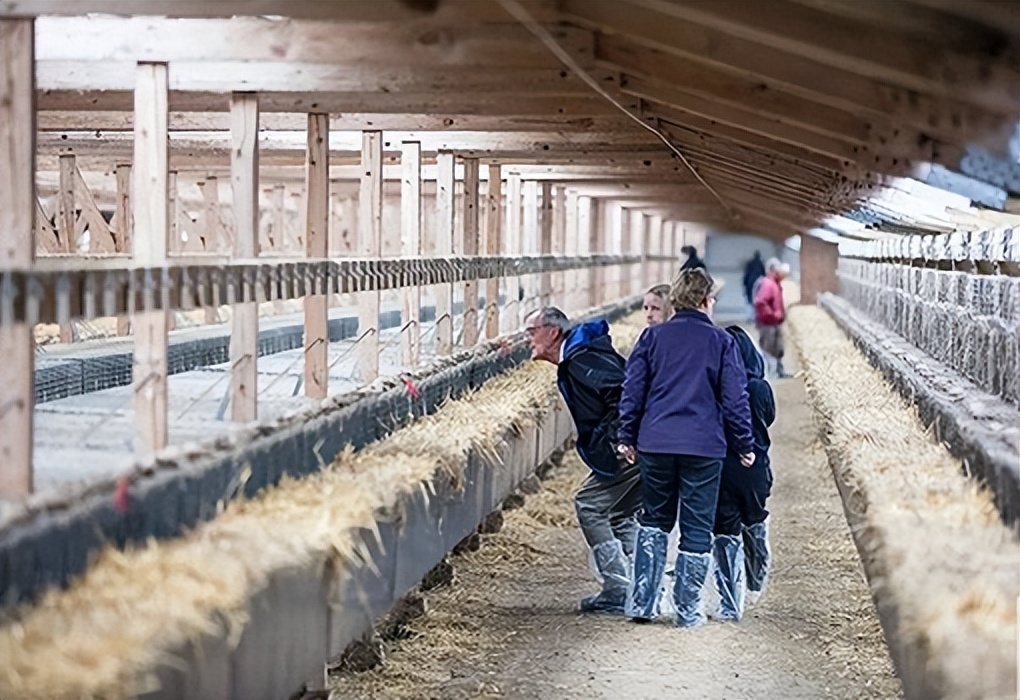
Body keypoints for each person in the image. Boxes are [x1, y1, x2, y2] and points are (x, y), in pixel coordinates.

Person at [616, 269, 755, 627]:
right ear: (707, 300)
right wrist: (744, 443)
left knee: (655, 519)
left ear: (676, 299)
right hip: (703, 447)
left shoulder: (652, 338)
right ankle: (687, 610)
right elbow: (735, 399)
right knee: (696, 525)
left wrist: (626, 436)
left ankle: (643, 604)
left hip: (656, 442)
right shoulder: (721, 342)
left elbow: (633, 391)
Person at [526, 307, 642, 614]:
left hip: (632, 446)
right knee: (619, 514)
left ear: (552, 333)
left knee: (589, 505)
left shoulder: (581, 359)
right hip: (646, 442)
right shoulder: (579, 356)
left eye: (531, 331)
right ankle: (640, 585)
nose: (527, 339)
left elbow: (622, 391)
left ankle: (618, 589)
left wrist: (620, 440)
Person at [712, 326, 776, 620]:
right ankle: (756, 575)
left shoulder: (715, 386)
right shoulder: (759, 387)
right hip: (755, 468)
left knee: (725, 529)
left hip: (723, 467)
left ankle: (730, 601)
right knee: (754, 518)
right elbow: (769, 418)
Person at [754, 258, 792, 379]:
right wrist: (772, 315)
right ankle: (769, 373)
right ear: (773, 270)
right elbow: (760, 302)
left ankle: (778, 371)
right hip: (768, 323)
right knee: (769, 347)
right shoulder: (768, 284)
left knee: (777, 347)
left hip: (773, 322)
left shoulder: (774, 283)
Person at [742, 252, 766, 320]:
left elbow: (746, 274)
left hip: (750, 283)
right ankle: (757, 316)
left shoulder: (750, 263)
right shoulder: (761, 264)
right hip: (759, 284)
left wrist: (745, 284)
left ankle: (750, 316)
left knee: (750, 300)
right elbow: (764, 274)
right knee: (758, 299)